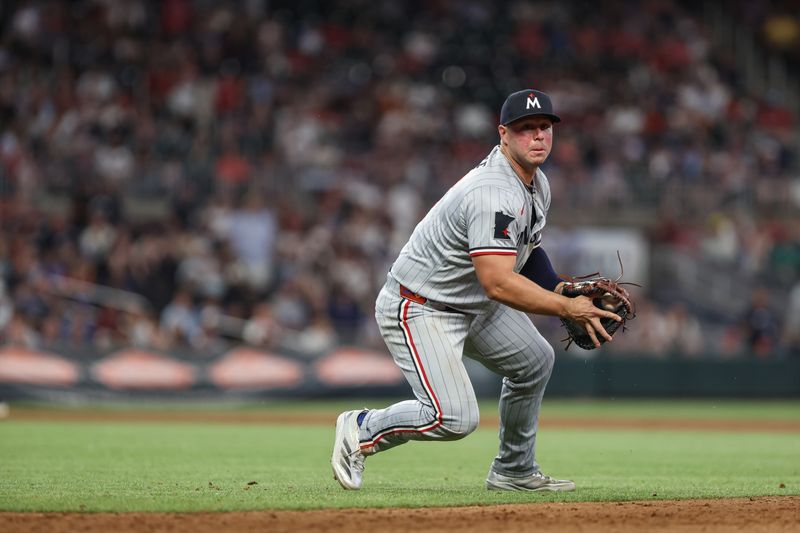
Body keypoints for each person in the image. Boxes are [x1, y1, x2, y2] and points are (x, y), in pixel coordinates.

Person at [331, 90, 621, 492]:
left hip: (472, 302)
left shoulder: (536, 183)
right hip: (421, 306)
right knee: (452, 418)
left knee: (534, 361)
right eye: (525, 129)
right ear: (503, 134)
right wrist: (565, 308)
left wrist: (561, 287)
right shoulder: (492, 192)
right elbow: (498, 282)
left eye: (544, 127)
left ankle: (513, 470)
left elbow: (526, 251)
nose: (538, 136)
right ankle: (362, 428)